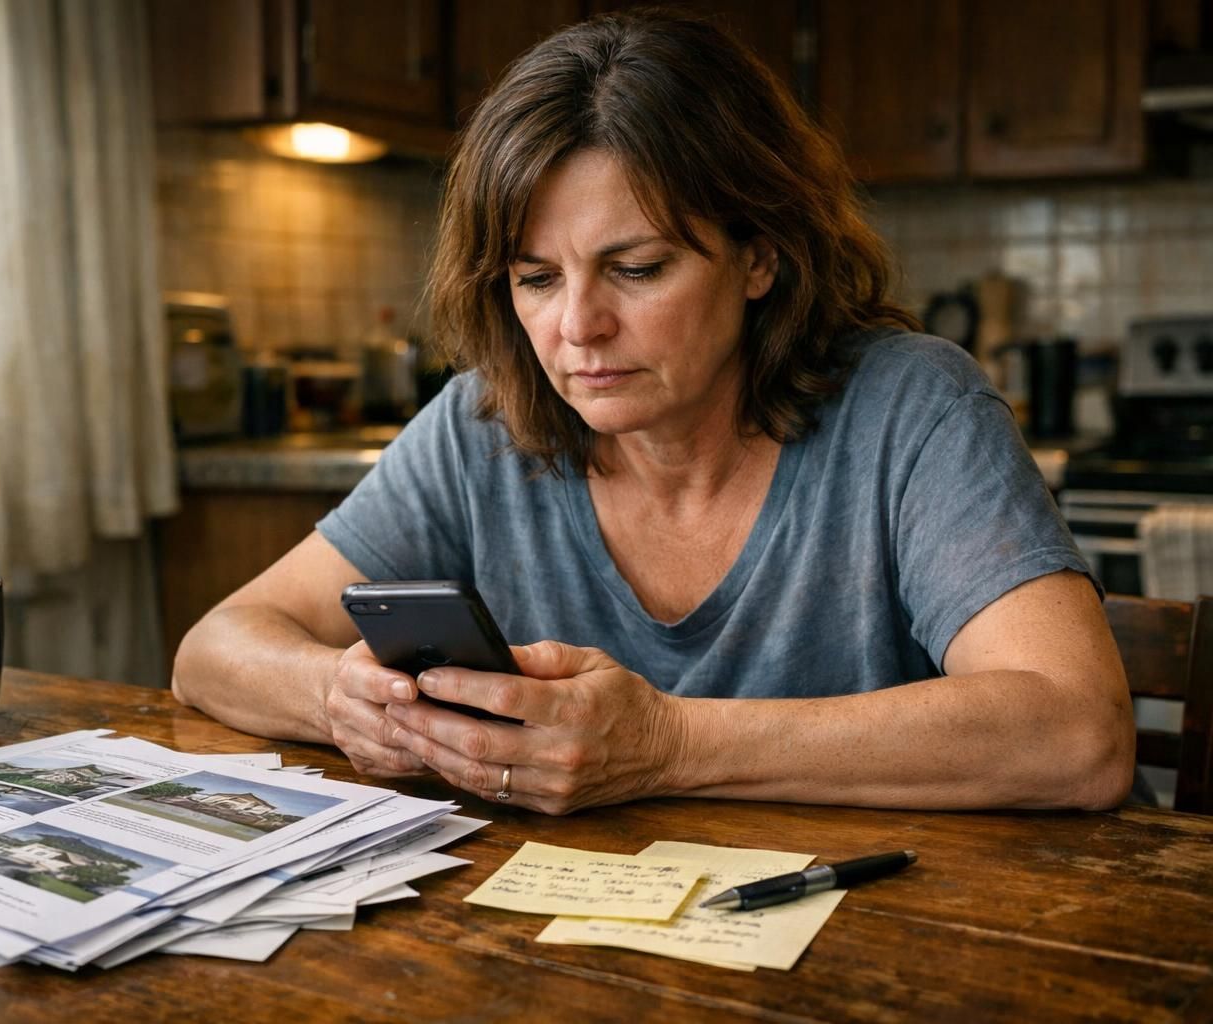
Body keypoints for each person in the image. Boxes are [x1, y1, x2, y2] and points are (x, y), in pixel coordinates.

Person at [172, 11, 1135, 815]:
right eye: (536, 278)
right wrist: (340, 697)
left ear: (761, 257)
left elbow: (1077, 734)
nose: (578, 328)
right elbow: (214, 649)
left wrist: (668, 741)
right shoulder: (484, 421)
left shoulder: (912, 406)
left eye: (637, 268)